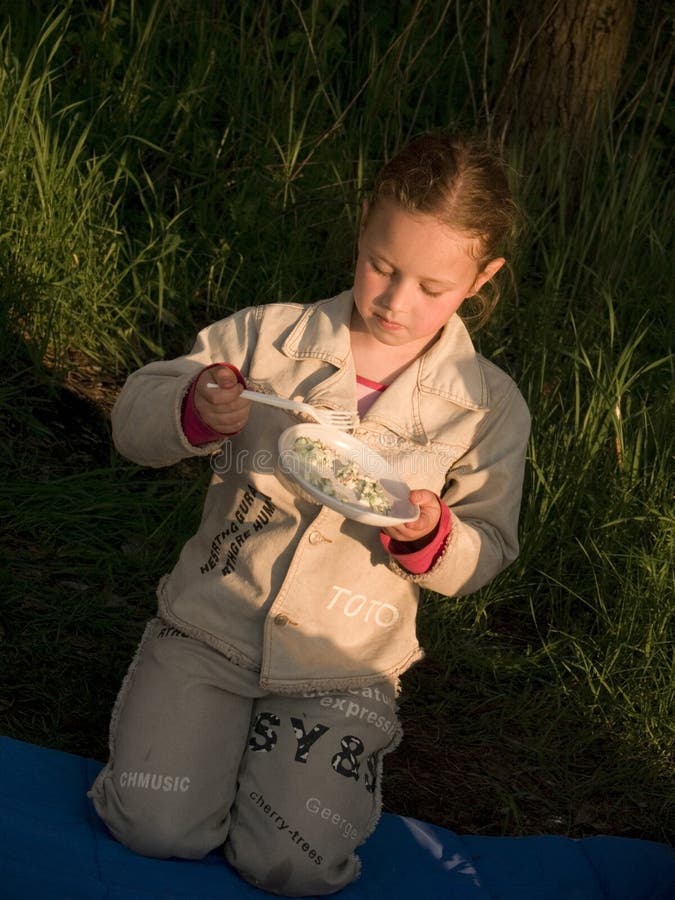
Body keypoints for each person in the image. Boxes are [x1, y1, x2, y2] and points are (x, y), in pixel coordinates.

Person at [89, 133, 531, 896]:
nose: (396, 302)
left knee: (291, 864)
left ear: (482, 276)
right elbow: (135, 419)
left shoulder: (486, 407)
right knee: (153, 825)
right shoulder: (267, 337)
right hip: (209, 629)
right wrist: (192, 409)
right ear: (363, 227)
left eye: (432, 287)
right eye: (382, 267)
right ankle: (192, 745)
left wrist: (431, 536)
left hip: (343, 667)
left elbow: (485, 546)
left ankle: (276, 769)